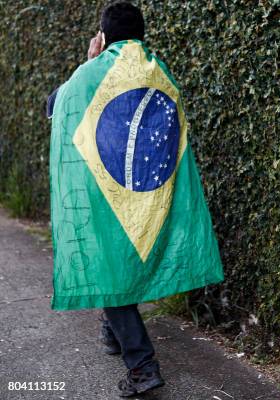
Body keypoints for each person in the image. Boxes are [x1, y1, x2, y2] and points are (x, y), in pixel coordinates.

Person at [47, 2, 224, 397]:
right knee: (124, 261)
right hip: (149, 194)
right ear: (141, 35)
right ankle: (113, 333)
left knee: (108, 268)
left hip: (104, 192)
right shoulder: (160, 72)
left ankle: (142, 367)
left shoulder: (89, 74)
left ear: (103, 37)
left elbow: (54, 106)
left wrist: (87, 62)